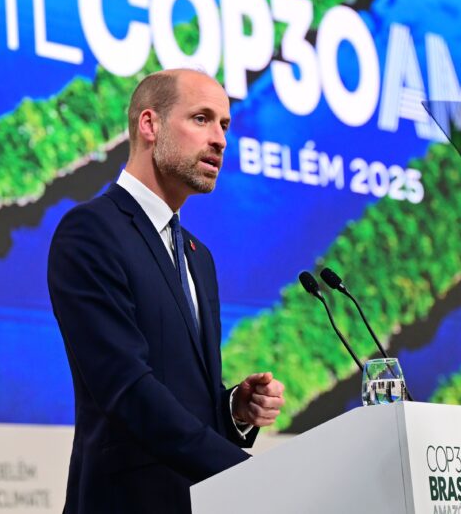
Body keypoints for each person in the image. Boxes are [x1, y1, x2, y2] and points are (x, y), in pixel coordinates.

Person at [48, 68, 286, 513]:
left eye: (225, 125)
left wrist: (233, 408)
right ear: (149, 125)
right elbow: (128, 389)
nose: (219, 139)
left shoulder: (199, 256)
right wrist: (248, 473)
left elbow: (184, 394)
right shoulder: (90, 232)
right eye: (202, 119)